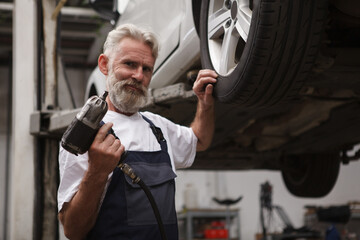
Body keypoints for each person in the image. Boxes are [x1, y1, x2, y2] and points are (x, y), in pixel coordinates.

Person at [57, 23, 217, 240]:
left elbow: (199, 141)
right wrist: (97, 171)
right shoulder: (84, 135)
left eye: (146, 68)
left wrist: (204, 104)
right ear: (104, 64)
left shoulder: (157, 126)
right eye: (129, 64)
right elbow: (72, 230)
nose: (138, 76)